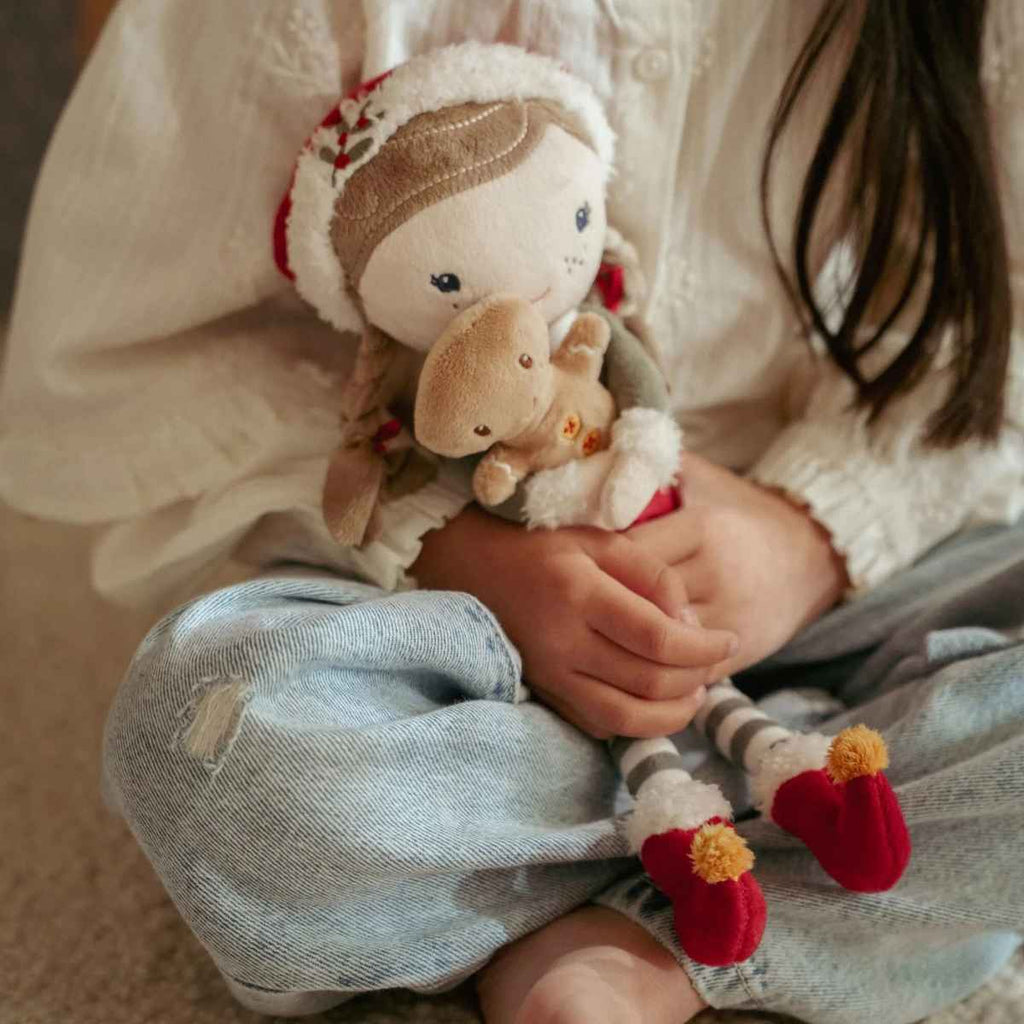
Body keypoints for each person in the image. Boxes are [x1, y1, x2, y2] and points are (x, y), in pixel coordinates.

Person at [1, 2, 1021, 1022]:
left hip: (864, 582)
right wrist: (450, 543)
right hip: (461, 633)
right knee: (208, 741)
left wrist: (814, 528)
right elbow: (136, 369)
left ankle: (620, 918)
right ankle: (786, 801)